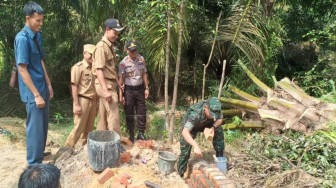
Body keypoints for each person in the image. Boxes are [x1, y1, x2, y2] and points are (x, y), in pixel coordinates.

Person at [14, 2, 53, 165]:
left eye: (42, 20)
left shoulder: (37, 35)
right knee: (34, 128)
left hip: (42, 86)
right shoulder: (22, 38)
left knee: (43, 126)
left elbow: (40, 61)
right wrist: (36, 95)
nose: (41, 23)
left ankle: (39, 153)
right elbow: (22, 69)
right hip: (33, 92)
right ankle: (33, 165)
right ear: (28, 18)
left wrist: (49, 84)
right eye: (38, 20)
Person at [177, 97, 225, 177]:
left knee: (219, 129)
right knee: (185, 151)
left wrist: (212, 127)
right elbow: (185, 132)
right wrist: (195, 145)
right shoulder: (195, 114)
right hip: (191, 128)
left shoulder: (216, 108)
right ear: (206, 107)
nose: (214, 117)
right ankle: (181, 174)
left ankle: (220, 160)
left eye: (215, 115)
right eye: (211, 114)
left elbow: (220, 120)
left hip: (206, 124)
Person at [92, 18, 124, 136]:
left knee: (103, 114)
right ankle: (116, 142)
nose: (116, 36)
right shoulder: (101, 47)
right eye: (114, 33)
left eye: (117, 34)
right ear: (107, 30)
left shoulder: (109, 46)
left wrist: (117, 81)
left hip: (109, 82)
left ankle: (101, 138)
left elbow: (110, 68)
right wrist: (105, 90)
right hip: (104, 84)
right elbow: (99, 70)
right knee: (114, 114)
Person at [66, 44, 97, 147]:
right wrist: (76, 104)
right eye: (90, 54)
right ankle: (68, 147)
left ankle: (85, 148)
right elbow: (74, 86)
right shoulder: (78, 67)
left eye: (94, 54)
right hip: (82, 100)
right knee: (79, 126)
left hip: (93, 100)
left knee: (90, 127)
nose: (92, 57)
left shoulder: (95, 67)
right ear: (84, 53)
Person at [119, 40, 149, 143]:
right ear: (127, 51)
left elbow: (144, 74)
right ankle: (131, 134)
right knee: (129, 113)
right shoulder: (123, 63)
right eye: (132, 51)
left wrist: (146, 88)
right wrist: (121, 96)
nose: (134, 52)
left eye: (135, 50)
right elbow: (121, 80)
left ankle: (141, 133)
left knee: (141, 112)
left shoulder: (141, 59)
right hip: (129, 91)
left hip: (140, 89)